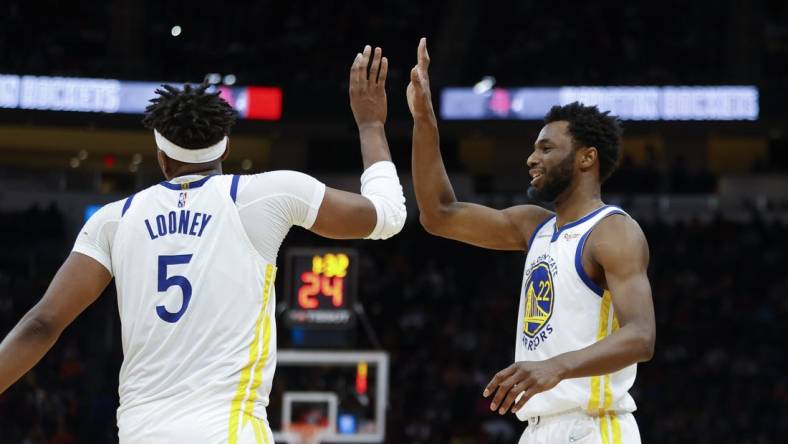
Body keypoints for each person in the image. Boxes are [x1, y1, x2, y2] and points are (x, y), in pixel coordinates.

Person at [0, 44, 404, 444]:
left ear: (161, 155)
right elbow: (387, 215)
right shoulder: (264, 196)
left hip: (142, 432)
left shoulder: (114, 219)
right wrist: (370, 126)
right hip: (228, 428)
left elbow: (41, 324)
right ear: (226, 146)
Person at [406, 38, 655, 443]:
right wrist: (424, 120)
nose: (530, 159)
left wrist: (554, 366)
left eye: (546, 147)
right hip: (539, 429)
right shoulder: (534, 226)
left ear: (586, 158)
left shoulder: (613, 230)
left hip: (593, 426)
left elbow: (641, 336)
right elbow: (438, 215)